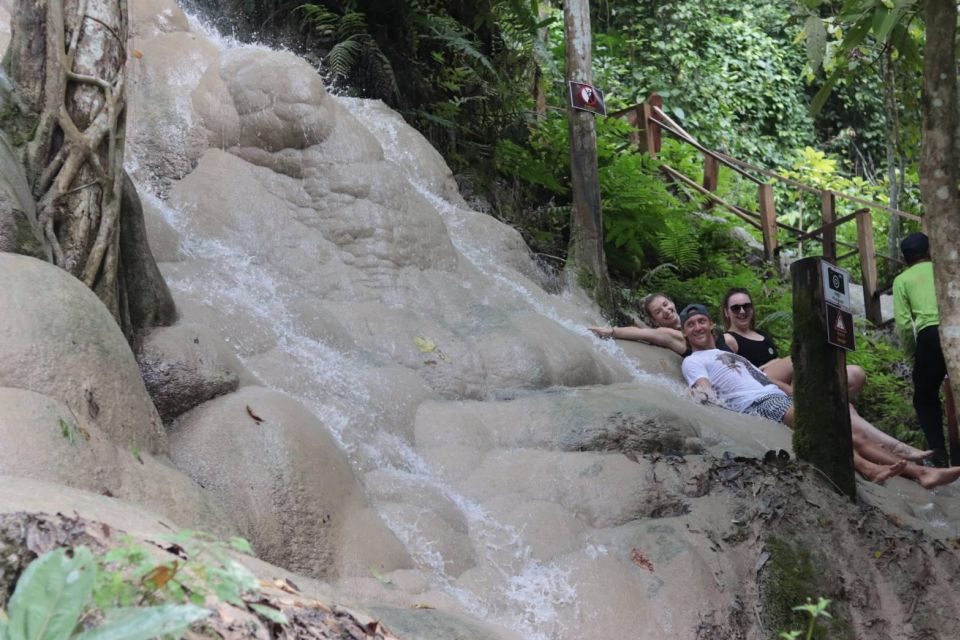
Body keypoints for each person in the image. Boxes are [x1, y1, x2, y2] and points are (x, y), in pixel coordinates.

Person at [678, 303, 957, 488]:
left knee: (852, 433)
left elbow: (763, 379)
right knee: (831, 429)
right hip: (759, 404)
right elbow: (703, 386)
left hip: (775, 396)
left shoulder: (728, 354)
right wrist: (702, 399)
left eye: (701, 321)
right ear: (685, 332)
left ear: (711, 324)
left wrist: (799, 396)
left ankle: (920, 473)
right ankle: (882, 471)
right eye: (691, 325)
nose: (698, 327)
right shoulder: (693, 360)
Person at [720, 287, 866, 399]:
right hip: (760, 381)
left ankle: (826, 405)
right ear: (727, 312)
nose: (742, 311)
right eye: (735, 308)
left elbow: (781, 364)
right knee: (798, 356)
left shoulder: (763, 335)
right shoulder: (729, 339)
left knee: (856, 374)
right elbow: (731, 375)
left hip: (788, 377)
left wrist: (775, 364)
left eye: (747, 306)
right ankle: (801, 402)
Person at [893, 232, 949, 467]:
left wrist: (912, 355)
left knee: (925, 398)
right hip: (954, 325)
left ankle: (939, 455)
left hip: (930, 336)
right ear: (929, 251)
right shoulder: (946, 270)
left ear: (905, 259)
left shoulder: (902, 280)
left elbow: (905, 326)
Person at [589, 292, 733, 357]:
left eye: (665, 304)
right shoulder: (665, 334)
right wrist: (612, 331)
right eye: (658, 311)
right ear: (654, 321)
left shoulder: (694, 318)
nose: (666, 311)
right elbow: (646, 334)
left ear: (672, 303)